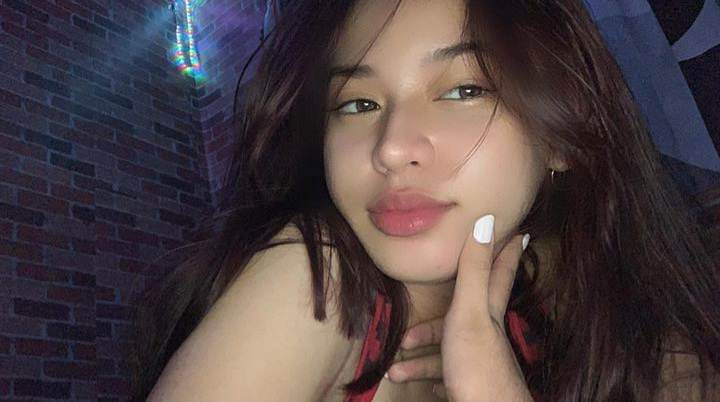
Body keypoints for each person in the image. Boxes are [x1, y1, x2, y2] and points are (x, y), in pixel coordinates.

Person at [128, 0, 720, 400]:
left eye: (463, 90)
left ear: (563, 135)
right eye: (358, 103)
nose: (391, 147)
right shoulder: (318, 278)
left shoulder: (636, 330)